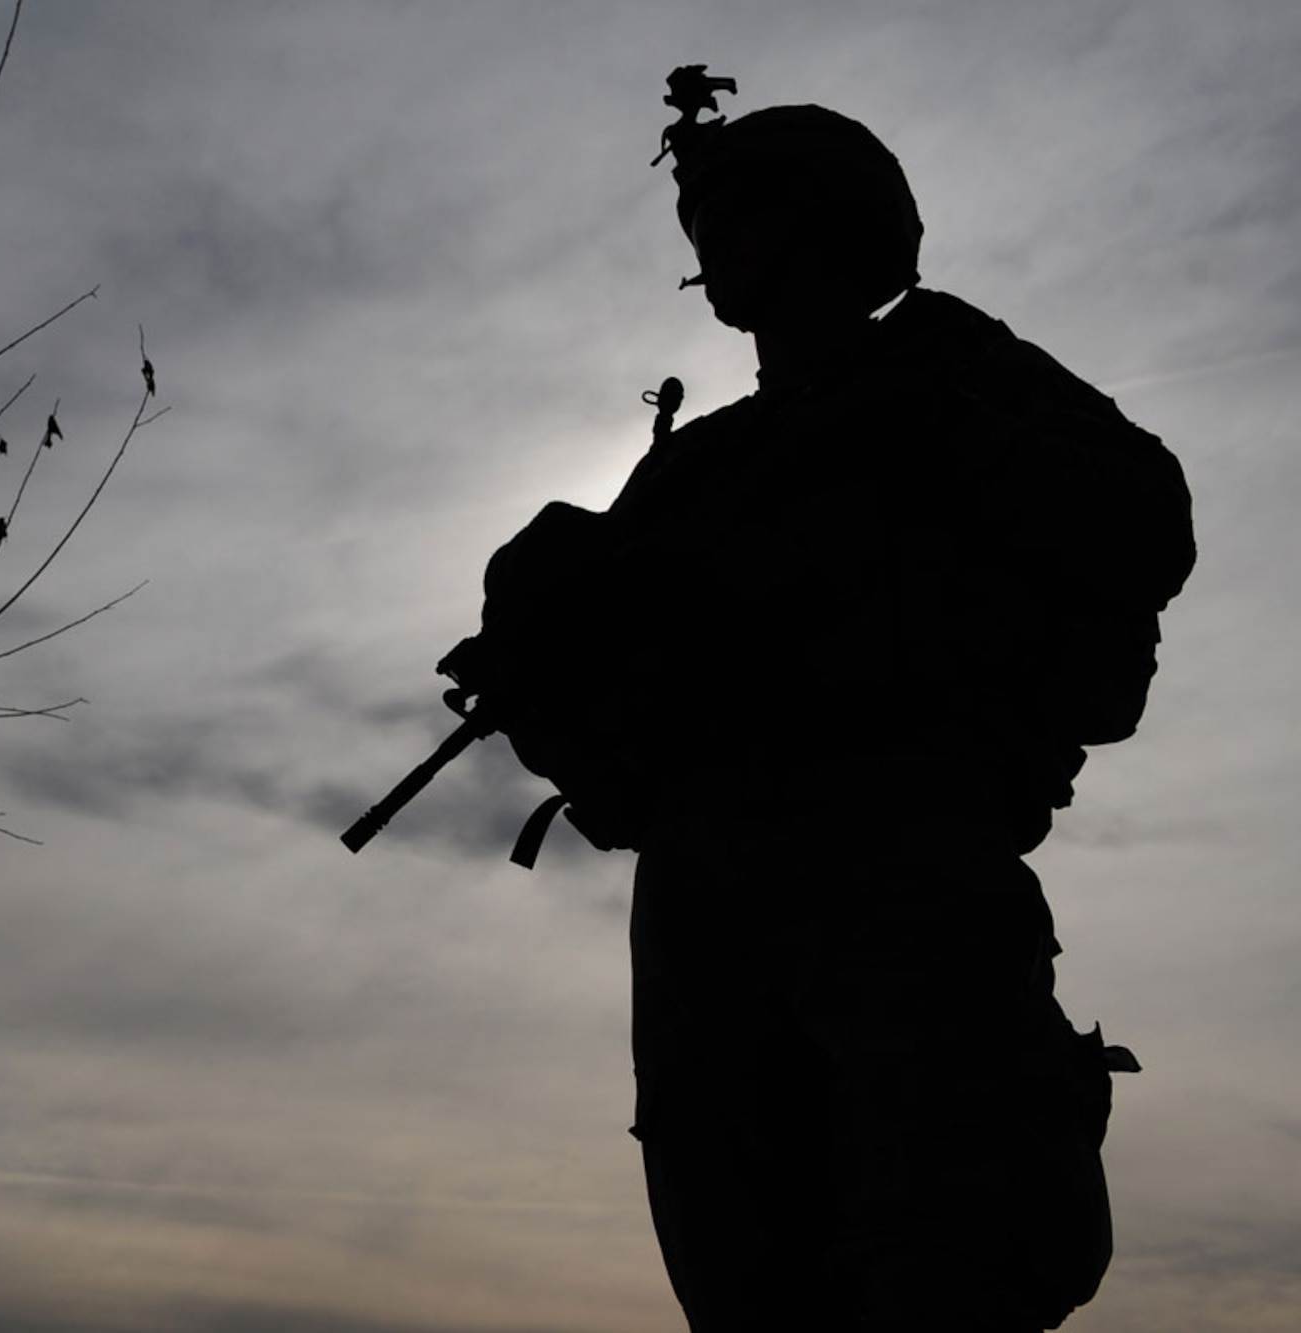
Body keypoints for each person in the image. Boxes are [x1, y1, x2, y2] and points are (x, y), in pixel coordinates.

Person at [474, 70, 1195, 1330]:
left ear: (834, 224)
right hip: (706, 888)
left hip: (897, 852)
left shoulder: (947, 366)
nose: (717, 252)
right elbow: (598, 711)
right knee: (742, 1251)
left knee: (948, 1239)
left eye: (746, 218)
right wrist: (547, 641)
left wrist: (926, 437)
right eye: (706, 229)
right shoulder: (697, 466)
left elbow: (1143, 521)